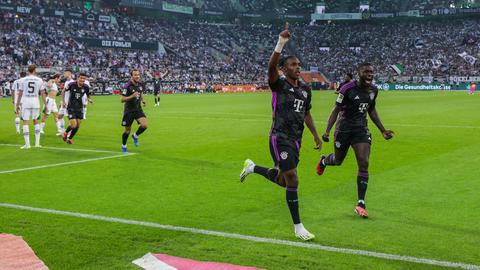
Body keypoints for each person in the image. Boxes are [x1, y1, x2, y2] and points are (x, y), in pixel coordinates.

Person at [239, 23, 322, 241]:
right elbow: (270, 68)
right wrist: (280, 43)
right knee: (293, 180)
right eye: (293, 65)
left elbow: (306, 114)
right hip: (279, 137)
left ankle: (253, 168)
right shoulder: (279, 84)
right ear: (284, 69)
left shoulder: (305, 90)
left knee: (284, 181)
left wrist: (314, 134)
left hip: (296, 140)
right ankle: (298, 228)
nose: (297, 67)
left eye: (298, 64)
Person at [316, 63, 394, 218]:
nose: (370, 74)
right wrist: (327, 131)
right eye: (366, 72)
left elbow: (371, 110)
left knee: (364, 162)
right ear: (359, 73)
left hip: (361, 130)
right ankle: (324, 161)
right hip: (343, 129)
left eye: (371, 72)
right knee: (338, 161)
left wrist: (383, 130)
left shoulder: (373, 91)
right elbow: (336, 110)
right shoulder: (347, 89)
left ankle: (361, 203)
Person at [15, 65, 47, 149]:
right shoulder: (39, 80)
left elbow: (20, 93)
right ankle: (37, 143)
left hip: (26, 102)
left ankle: (27, 144)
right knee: (36, 121)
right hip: (35, 102)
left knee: (26, 122)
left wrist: (17, 104)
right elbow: (43, 93)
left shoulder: (23, 80)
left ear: (28, 70)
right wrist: (46, 104)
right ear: (35, 70)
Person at [121, 69, 148, 153]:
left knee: (144, 125)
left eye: (138, 74)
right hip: (129, 111)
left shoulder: (141, 84)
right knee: (127, 131)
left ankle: (135, 136)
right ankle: (124, 145)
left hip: (138, 109)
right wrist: (132, 96)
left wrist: (142, 100)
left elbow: (140, 93)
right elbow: (122, 99)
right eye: (135, 75)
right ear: (131, 76)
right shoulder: (127, 86)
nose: (137, 76)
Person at [62, 73, 91, 144]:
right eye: (81, 78)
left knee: (78, 125)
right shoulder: (71, 84)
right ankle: (65, 132)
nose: (82, 80)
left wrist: (89, 99)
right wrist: (63, 101)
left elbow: (88, 94)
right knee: (74, 125)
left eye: (84, 78)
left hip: (80, 108)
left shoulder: (86, 87)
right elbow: (63, 91)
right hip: (71, 107)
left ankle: (69, 138)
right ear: (78, 78)